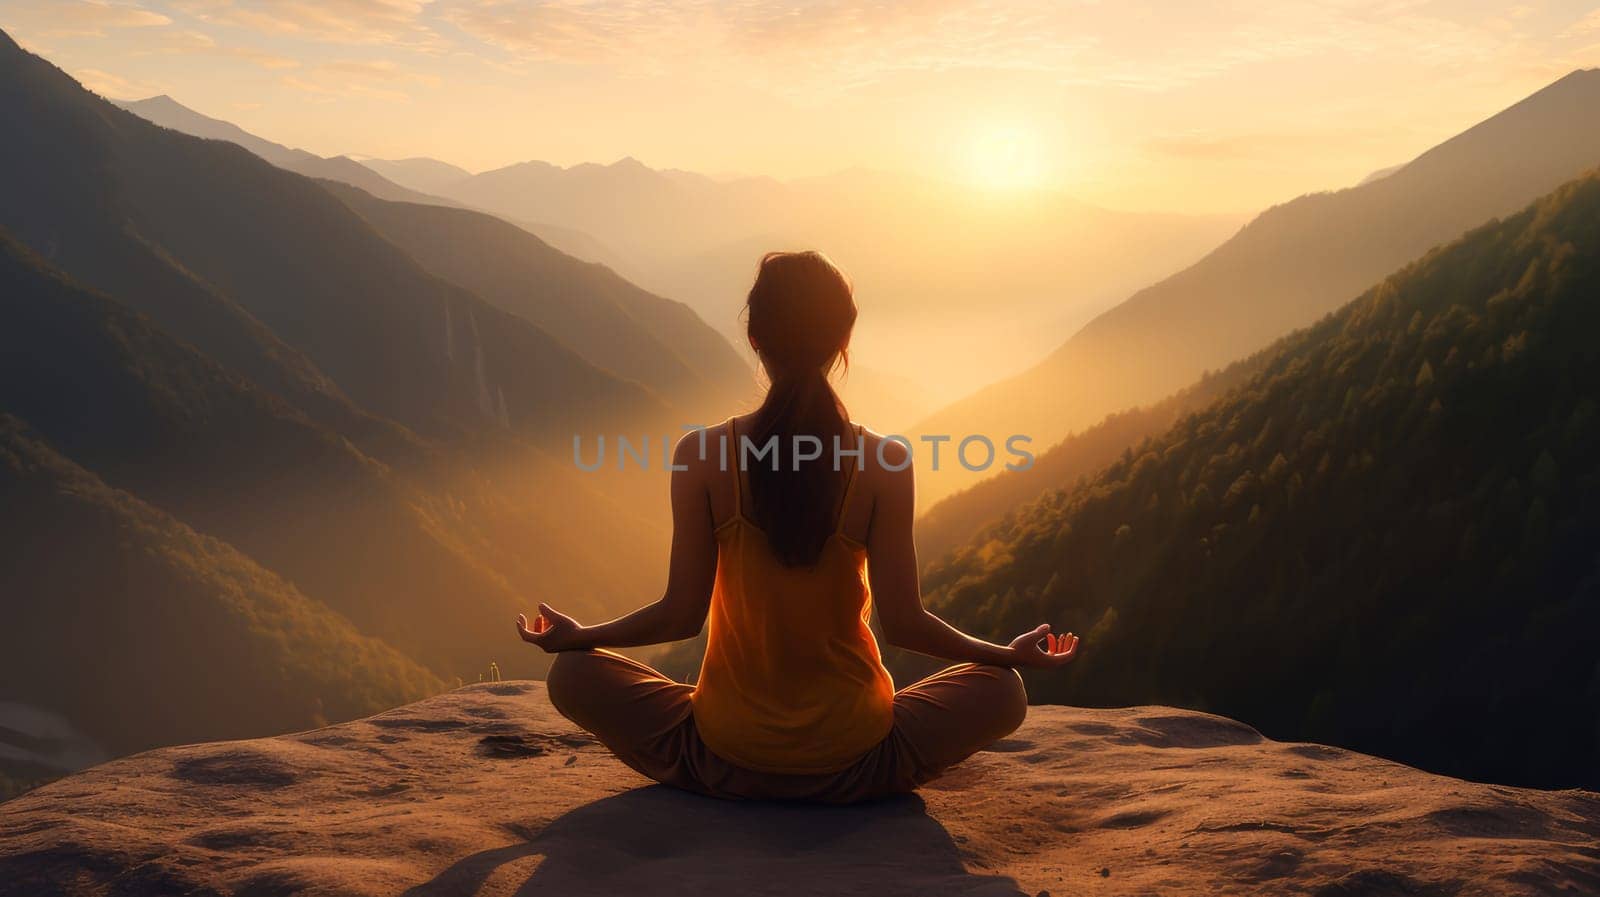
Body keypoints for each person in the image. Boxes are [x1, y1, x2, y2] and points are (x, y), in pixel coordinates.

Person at [516, 250, 1079, 803]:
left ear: (755, 339)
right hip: (857, 756)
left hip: (722, 750)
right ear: (842, 343)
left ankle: (734, 778)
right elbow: (906, 625)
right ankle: (835, 780)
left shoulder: (702, 456)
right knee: (1003, 691)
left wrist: (580, 637)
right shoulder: (885, 462)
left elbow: (681, 614)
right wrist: (1006, 655)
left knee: (572, 677)